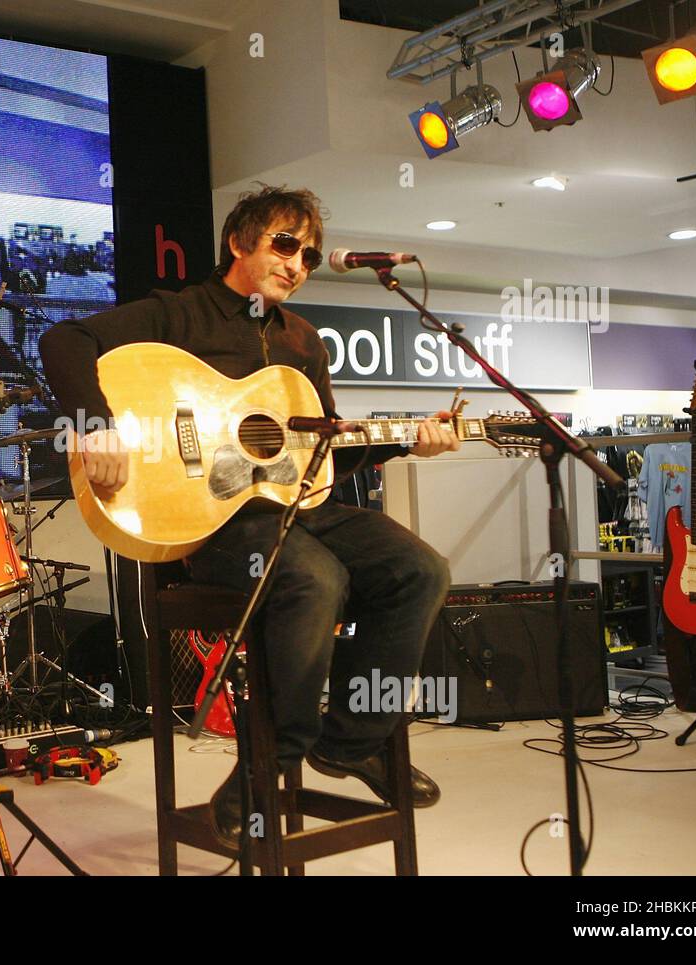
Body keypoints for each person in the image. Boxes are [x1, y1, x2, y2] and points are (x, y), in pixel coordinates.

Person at [39, 185, 456, 843]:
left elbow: (316, 459)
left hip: (293, 507)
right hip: (216, 522)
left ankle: (352, 740)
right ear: (239, 241)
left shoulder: (303, 341)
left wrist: (406, 438)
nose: (296, 263)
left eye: (309, 255)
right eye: (284, 244)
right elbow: (64, 339)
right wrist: (94, 426)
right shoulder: (181, 313)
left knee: (421, 567)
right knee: (316, 578)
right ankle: (270, 763)